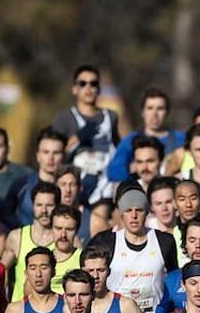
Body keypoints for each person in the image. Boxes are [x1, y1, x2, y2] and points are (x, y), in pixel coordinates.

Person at [88, 185, 179, 313]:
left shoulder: (164, 241)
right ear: (121, 213)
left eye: (139, 210)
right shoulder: (105, 241)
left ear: (147, 212)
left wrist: (164, 311)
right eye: (128, 210)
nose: (134, 216)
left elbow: (174, 281)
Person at [52, 65, 120, 204]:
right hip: (75, 190)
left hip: (105, 188)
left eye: (93, 84)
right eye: (83, 84)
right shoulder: (64, 119)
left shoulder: (111, 117)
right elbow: (55, 157)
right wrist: (77, 139)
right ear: (74, 89)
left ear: (99, 89)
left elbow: (118, 149)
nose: (88, 88)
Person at [107, 87, 185, 183]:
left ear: (167, 112)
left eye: (160, 108)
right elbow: (114, 173)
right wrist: (132, 169)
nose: (154, 114)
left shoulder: (181, 139)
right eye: (150, 108)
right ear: (142, 112)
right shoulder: (129, 141)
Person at [2, 182, 61, 302]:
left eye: (49, 205)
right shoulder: (16, 237)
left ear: (57, 206)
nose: (44, 210)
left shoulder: (66, 239)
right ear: (33, 206)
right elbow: (1, 272)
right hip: (22, 311)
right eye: (39, 205)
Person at [81, 246, 150, 313]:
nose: (95, 276)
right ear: (82, 272)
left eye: (101, 270)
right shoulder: (70, 305)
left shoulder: (126, 305)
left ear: (109, 271)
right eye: (90, 271)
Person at [12, 128, 67, 228]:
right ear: (38, 156)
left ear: (64, 156)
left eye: (56, 153)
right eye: (46, 152)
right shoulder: (21, 185)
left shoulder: (71, 189)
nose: (51, 158)